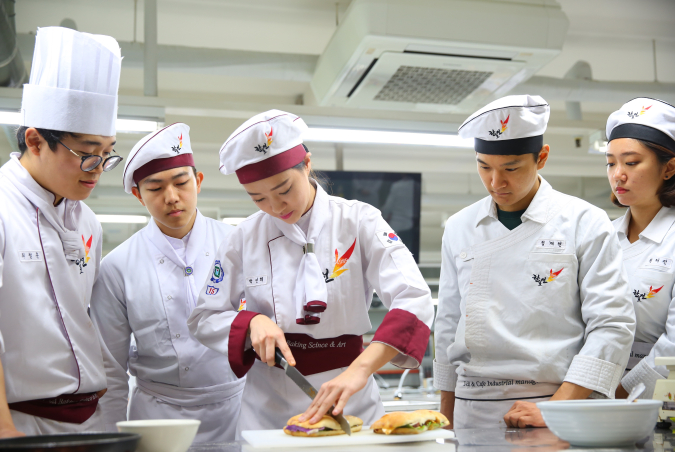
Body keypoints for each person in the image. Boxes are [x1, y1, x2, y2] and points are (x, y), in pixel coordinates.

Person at [187, 110, 434, 437]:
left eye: (284, 189)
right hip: (268, 407)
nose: (276, 207)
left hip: (352, 399)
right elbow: (204, 317)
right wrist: (251, 323)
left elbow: (414, 298)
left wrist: (361, 369)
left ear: (306, 164)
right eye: (258, 198)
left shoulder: (359, 221)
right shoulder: (243, 237)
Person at [434, 95, 636, 429]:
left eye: (511, 168)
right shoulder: (459, 227)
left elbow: (612, 323)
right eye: (484, 167)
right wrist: (446, 417)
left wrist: (555, 409)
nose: (496, 183)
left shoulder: (584, 221)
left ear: (541, 157)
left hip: (556, 403)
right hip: (474, 405)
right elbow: (448, 323)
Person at [0, 26, 122, 435]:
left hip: (89, 416)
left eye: (107, 154)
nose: (98, 170)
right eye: (87, 154)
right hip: (22, 421)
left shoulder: (87, 221)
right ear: (35, 141)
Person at [90, 123, 245, 442]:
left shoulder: (238, 245)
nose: (172, 197)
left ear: (198, 181)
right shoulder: (117, 266)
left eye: (181, 182)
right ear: (138, 195)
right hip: (158, 416)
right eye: (155, 188)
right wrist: (112, 442)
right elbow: (110, 369)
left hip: (238, 409)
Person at [604, 98, 675, 399]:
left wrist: (617, 394)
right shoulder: (600, 236)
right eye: (611, 163)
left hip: (663, 400)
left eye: (631, 162)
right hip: (595, 393)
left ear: (669, 168)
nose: (617, 174)